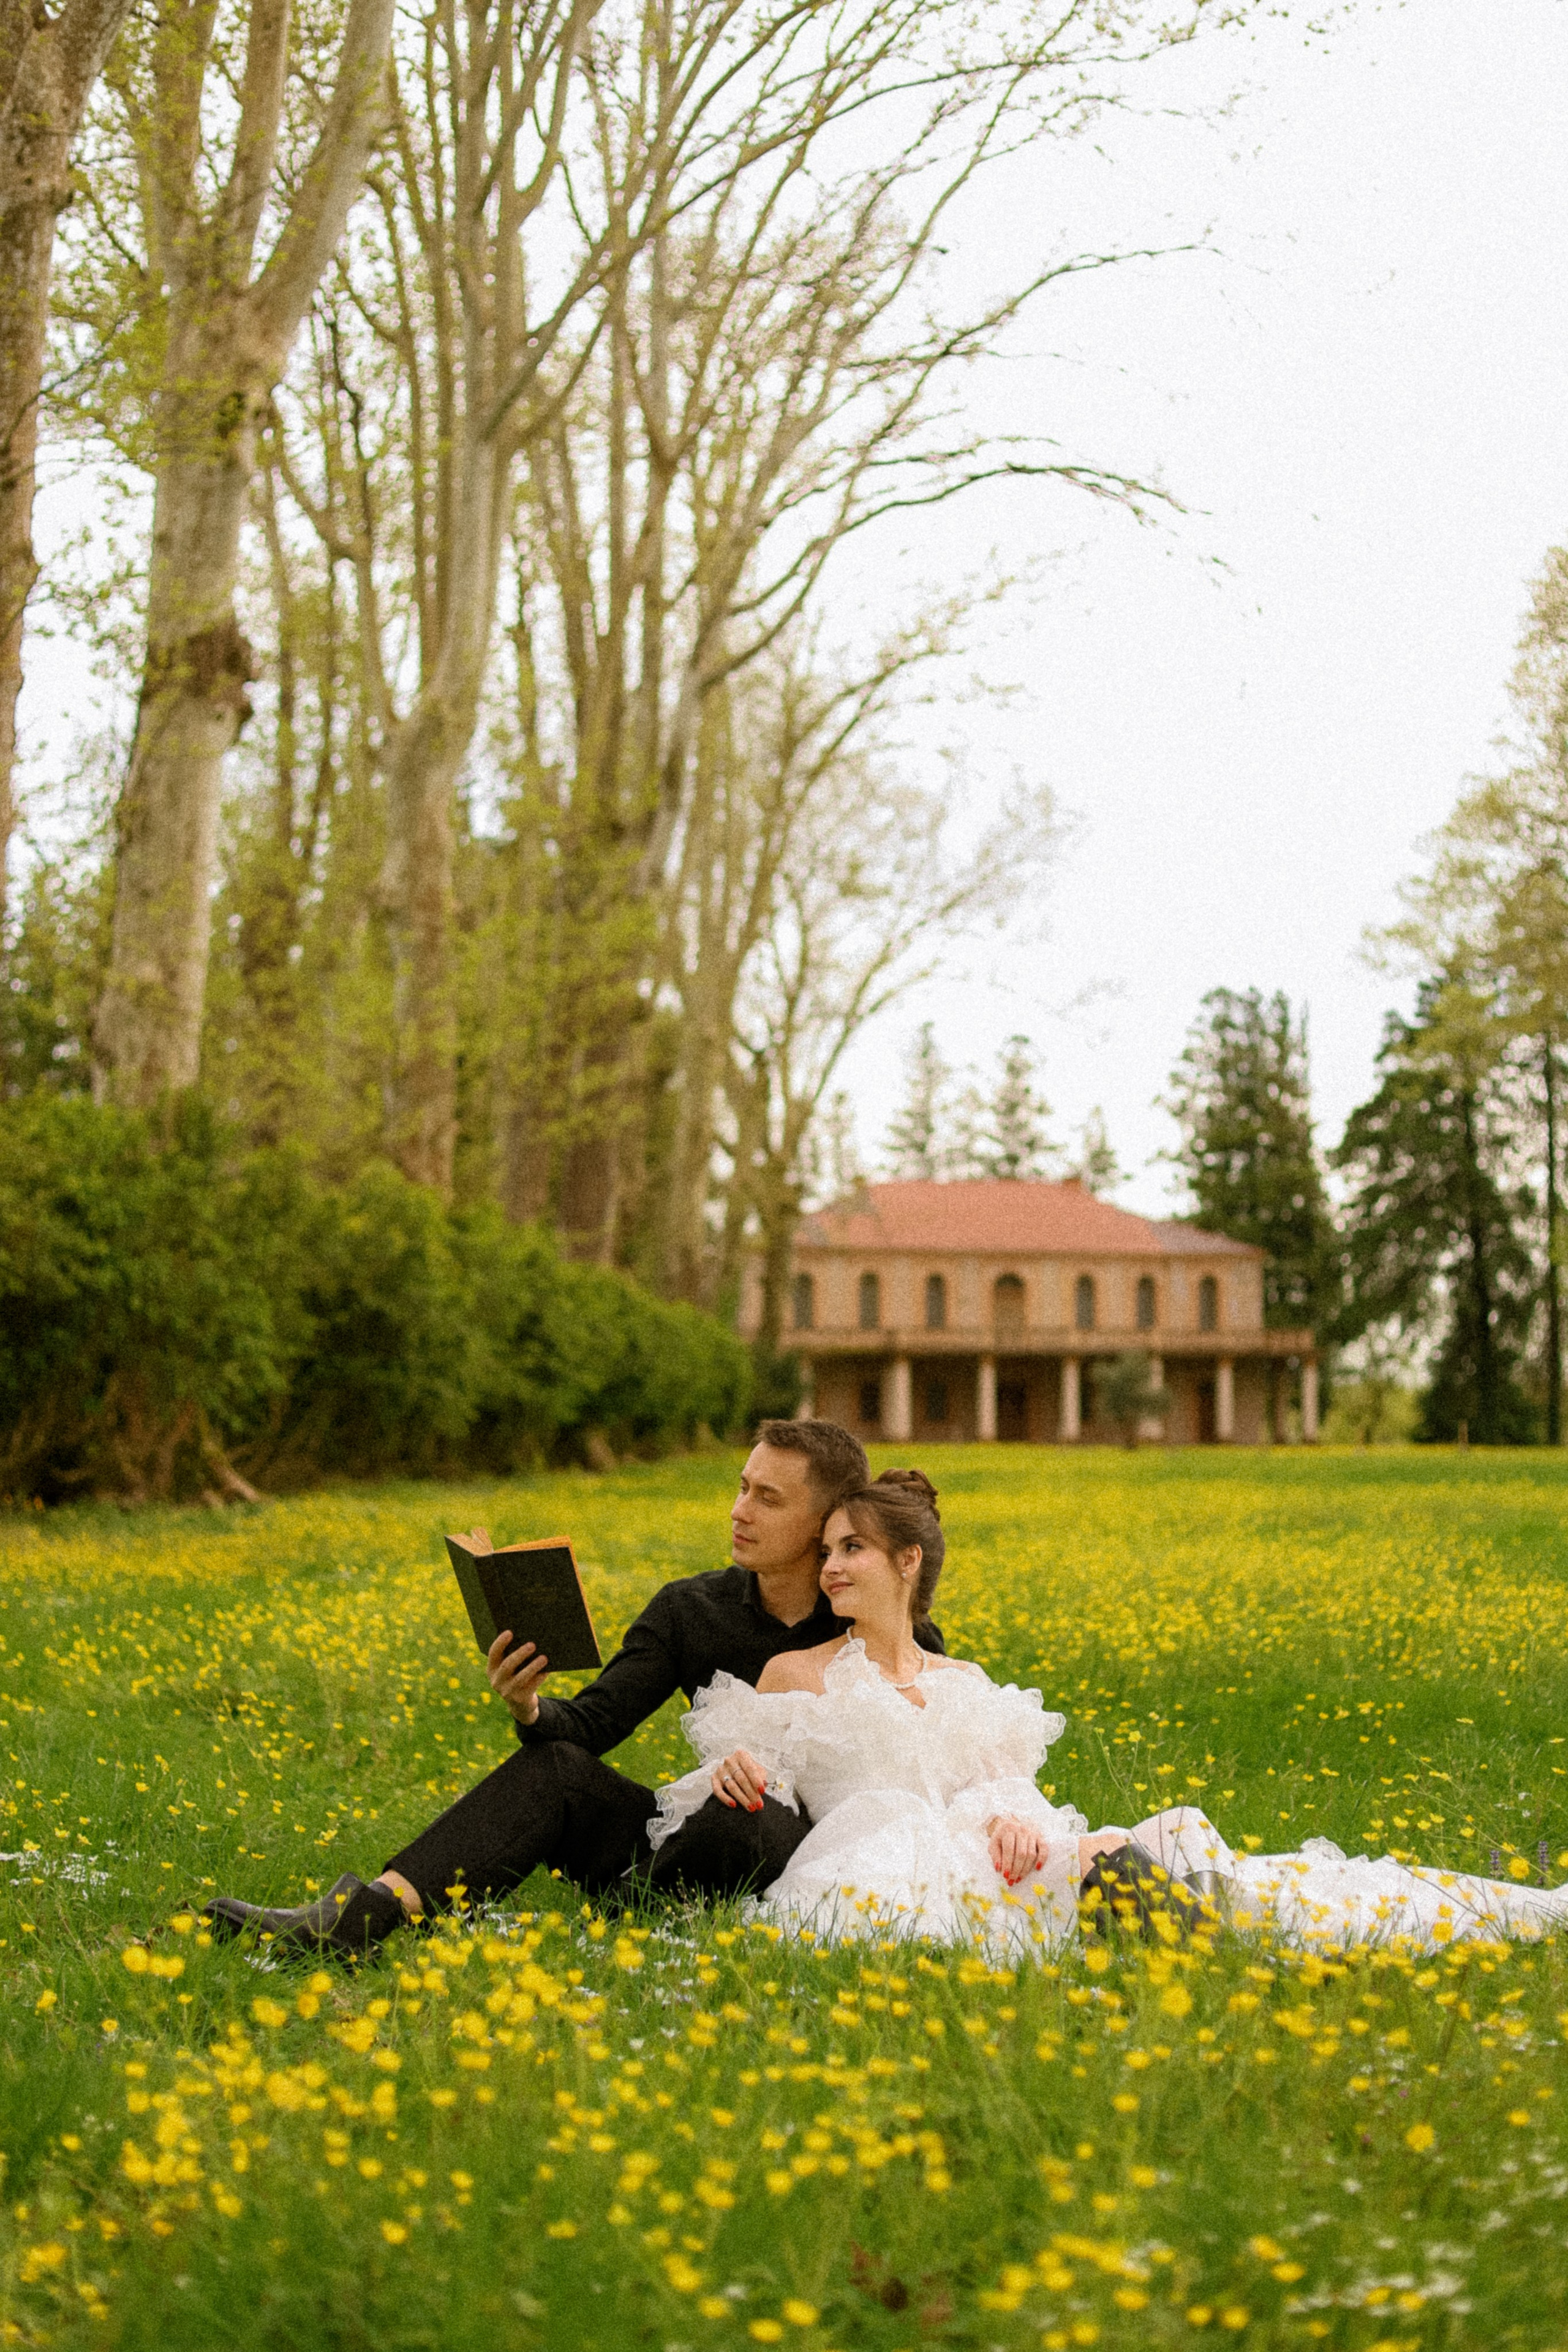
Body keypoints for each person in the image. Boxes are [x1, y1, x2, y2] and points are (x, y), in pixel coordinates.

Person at [659, 1468, 1568, 1959]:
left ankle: (1490, 1912)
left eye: (852, 1548)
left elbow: (1007, 1791)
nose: (829, 1568)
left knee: (1198, 1869)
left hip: (995, 1853)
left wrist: (1021, 1824)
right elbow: (735, 1786)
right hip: (890, 1866)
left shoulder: (968, 1680)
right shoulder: (794, 1674)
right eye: (827, 1550)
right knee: (1099, 1894)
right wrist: (734, 1774)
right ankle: (1202, 1960)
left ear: (906, 1563)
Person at [201, 1421, 947, 1957]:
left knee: (747, 1811)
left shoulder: (879, 1625)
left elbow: (932, 1781)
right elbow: (592, 1723)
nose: (739, 1511)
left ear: (826, 1523)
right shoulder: (690, 1608)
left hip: (809, 1856)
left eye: (768, 1498)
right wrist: (529, 1703)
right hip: (688, 1831)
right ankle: (361, 1919)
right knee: (560, 1771)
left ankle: (640, 1913)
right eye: (741, 1487)